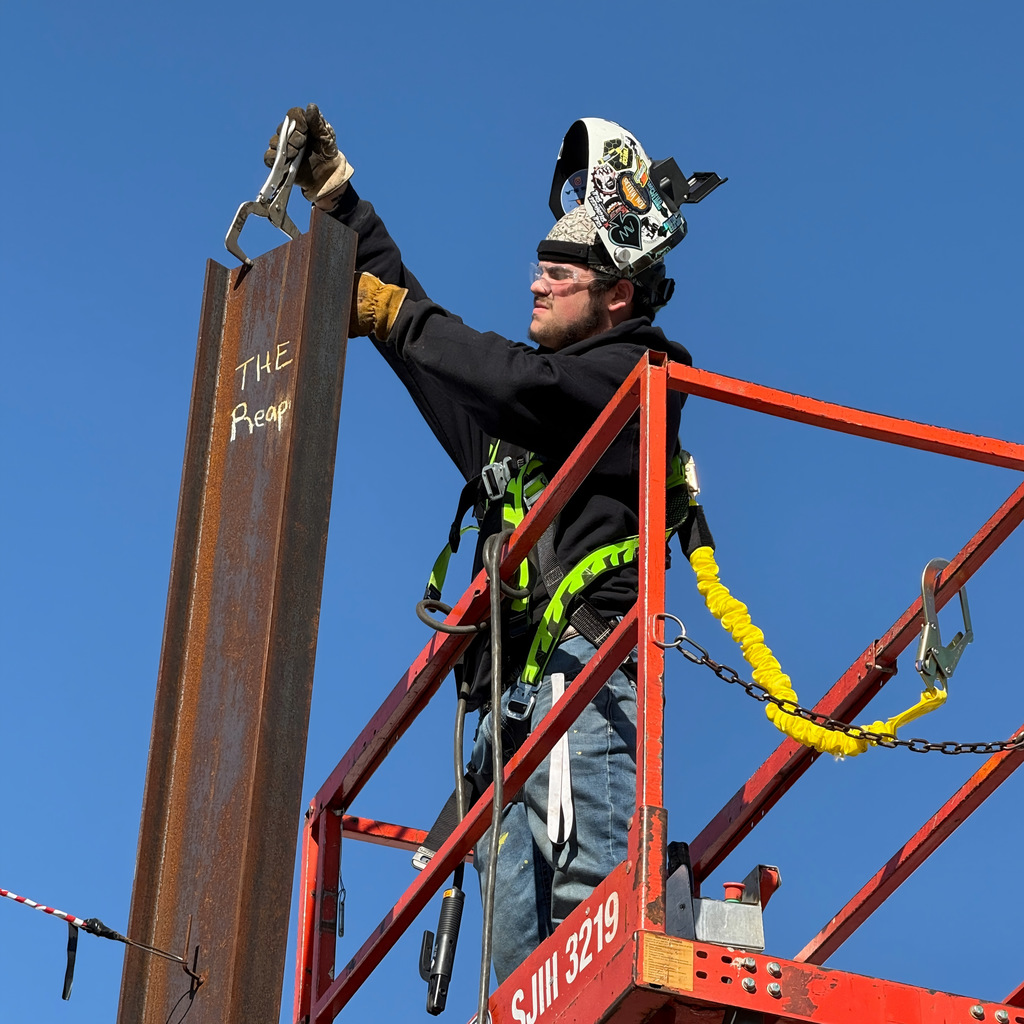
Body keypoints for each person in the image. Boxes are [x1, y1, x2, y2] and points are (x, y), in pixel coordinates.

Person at [267, 106, 695, 983]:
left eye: (560, 272)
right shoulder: (519, 434)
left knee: (590, 933)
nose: (537, 284)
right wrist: (344, 206)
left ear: (617, 294)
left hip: (581, 688)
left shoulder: (639, 381)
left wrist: (399, 320)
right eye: (538, 267)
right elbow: (434, 353)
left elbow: (512, 378)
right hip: (507, 726)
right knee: (511, 980)